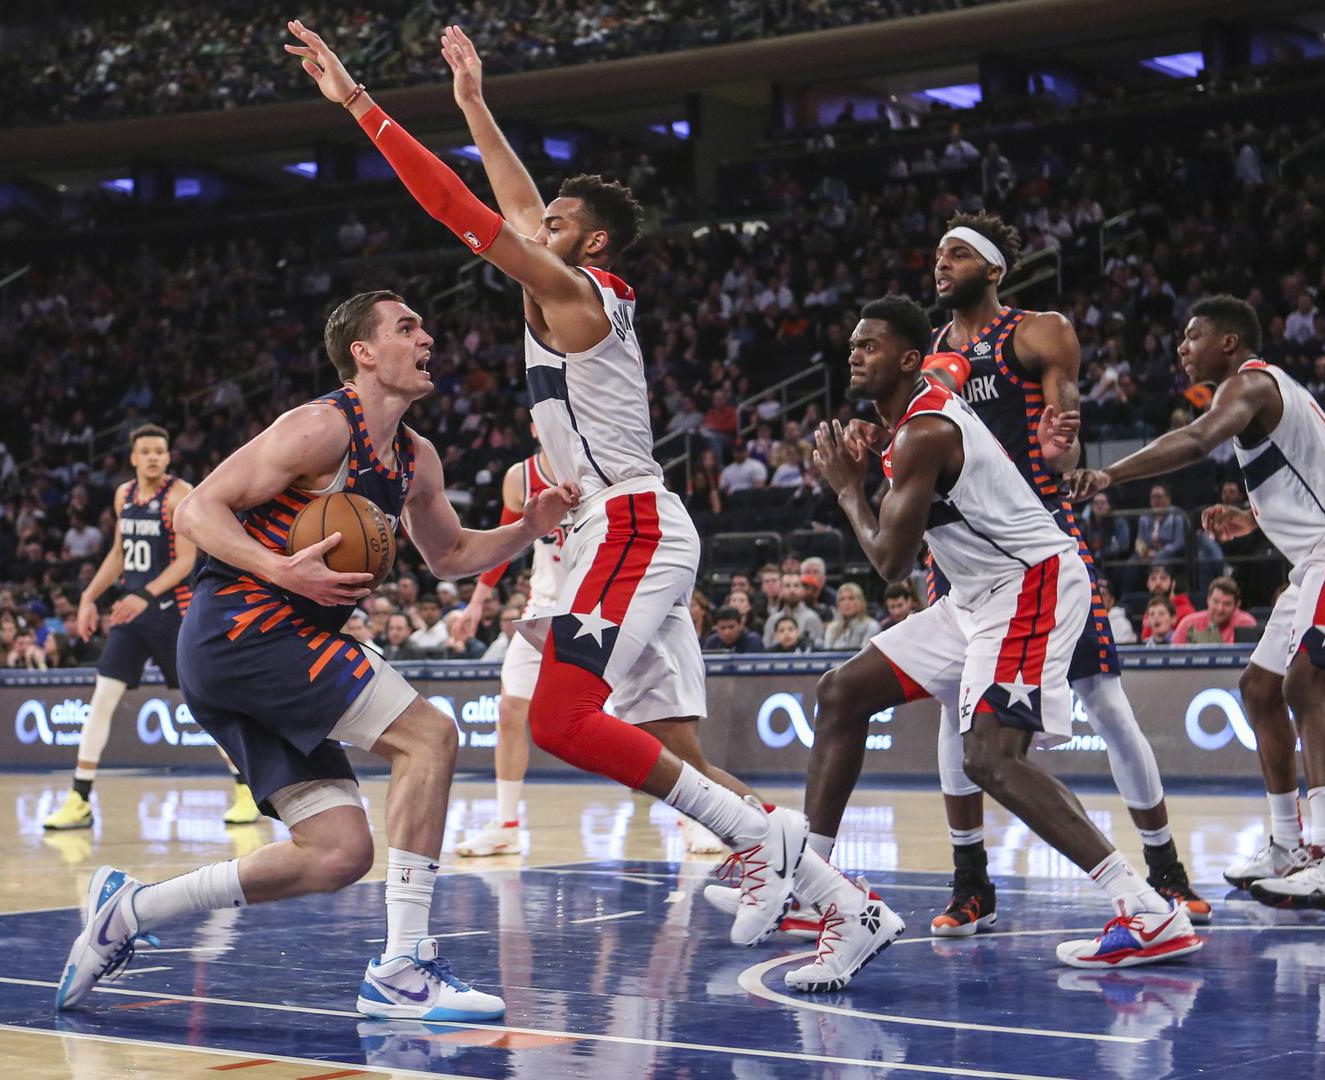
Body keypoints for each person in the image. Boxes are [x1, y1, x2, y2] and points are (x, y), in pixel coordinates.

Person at [289, 18, 869, 949]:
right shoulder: (565, 284)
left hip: (630, 523)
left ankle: (773, 847)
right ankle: (835, 896)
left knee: (562, 716)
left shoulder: (577, 294)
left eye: (553, 226)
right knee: (674, 754)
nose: (534, 228)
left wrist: (359, 103)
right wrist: (474, 104)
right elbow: (517, 202)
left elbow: (456, 206)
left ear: (590, 242)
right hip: (617, 526)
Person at [56, 289, 577, 1020]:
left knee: (338, 853)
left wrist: (528, 526)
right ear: (363, 353)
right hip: (243, 631)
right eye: (406, 327)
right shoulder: (319, 427)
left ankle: (131, 909)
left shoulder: (416, 458)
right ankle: (403, 966)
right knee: (430, 737)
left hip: (267, 650)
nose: (427, 337)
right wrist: (279, 568)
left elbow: (452, 554)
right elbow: (197, 509)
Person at [795, 297, 1199, 989]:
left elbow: (890, 561)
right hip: (974, 597)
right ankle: (811, 888)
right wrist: (875, 450)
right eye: (853, 344)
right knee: (842, 693)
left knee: (990, 757)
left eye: (869, 345)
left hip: (1029, 583)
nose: (854, 354)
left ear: (907, 358)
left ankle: (1148, 910)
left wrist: (847, 489)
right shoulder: (909, 420)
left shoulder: (925, 429)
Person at [914, 210, 1206, 934]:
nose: (941, 264)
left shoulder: (1039, 331)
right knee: (954, 708)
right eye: (939, 254)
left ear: (993, 268)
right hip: (960, 554)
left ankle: (1166, 870)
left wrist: (1061, 449)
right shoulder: (930, 353)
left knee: (1104, 700)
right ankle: (971, 882)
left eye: (957, 254)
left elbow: (1065, 446)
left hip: (1038, 538)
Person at [1068, 295, 1325, 905]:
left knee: (1305, 686)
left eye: (1192, 337)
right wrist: (1251, 518)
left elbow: (1195, 439)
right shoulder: (1272, 395)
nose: (1181, 348)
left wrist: (1109, 474)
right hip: (1311, 559)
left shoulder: (1248, 385)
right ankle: (1287, 844)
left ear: (1229, 343)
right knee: (1259, 688)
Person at [41, 425, 258, 832]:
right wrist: (88, 596)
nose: (154, 457)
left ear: (169, 456)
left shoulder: (180, 494)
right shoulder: (123, 495)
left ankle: (247, 788)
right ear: (133, 458)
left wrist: (144, 594)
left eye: (160, 450)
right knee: (102, 699)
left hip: (173, 613)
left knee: (203, 704)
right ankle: (79, 798)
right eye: (146, 451)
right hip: (133, 614)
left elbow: (186, 560)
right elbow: (119, 553)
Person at [454, 448, 574, 857]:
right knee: (508, 711)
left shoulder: (600, 460)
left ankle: (689, 820)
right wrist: (476, 603)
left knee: (644, 715)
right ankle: (505, 825)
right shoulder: (520, 477)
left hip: (599, 605)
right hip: (544, 606)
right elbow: (504, 542)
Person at [1171, 576, 1257, 644]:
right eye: (1216, 602)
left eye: (1227, 604)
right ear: (1208, 599)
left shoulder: (1245, 623)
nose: (1220, 609)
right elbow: (1174, 657)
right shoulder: (1188, 623)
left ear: (1236, 606)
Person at [763, 572, 827, 646]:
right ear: (781, 590)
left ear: (802, 590)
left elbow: (818, 647)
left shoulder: (812, 618)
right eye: (787, 586)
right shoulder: (773, 620)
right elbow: (766, 647)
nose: (792, 590)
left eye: (796, 586)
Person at [820, 583, 880, 651]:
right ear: (838, 604)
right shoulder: (832, 628)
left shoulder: (871, 626)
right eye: (842, 599)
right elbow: (827, 654)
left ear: (860, 602)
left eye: (851, 598)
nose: (846, 603)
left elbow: (865, 654)